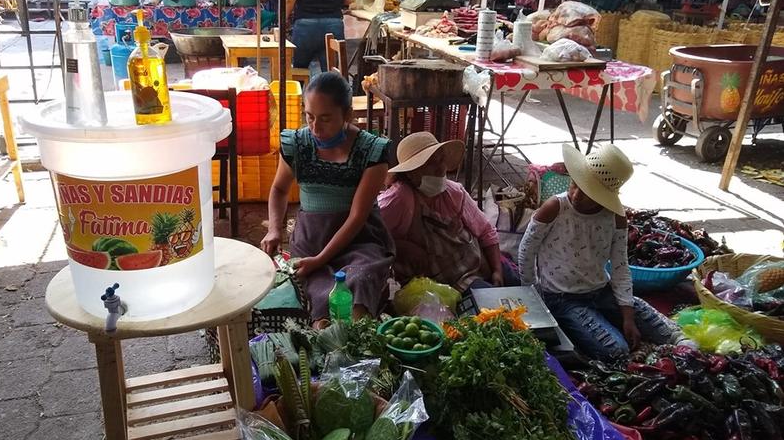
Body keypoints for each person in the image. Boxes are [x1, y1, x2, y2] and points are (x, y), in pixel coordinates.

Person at [518, 144, 690, 361]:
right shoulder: (555, 207)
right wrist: (533, 294)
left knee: (654, 323)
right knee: (615, 350)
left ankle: (677, 341)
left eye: (589, 193)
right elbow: (526, 251)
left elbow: (620, 267)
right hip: (562, 298)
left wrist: (628, 315)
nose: (577, 195)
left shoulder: (615, 217)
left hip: (602, 291)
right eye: (574, 185)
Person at [260, 72, 395, 328]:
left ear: (347, 116)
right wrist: (275, 230)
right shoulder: (297, 144)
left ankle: (357, 338)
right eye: (309, 116)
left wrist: (321, 260)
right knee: (319, 302)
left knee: (360, 280)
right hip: (311, 240)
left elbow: (357, 217)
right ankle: (325, 333)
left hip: (360, 239)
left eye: (325, 119)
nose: (315, 128)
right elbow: (279, 189)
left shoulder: (372, 152)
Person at [379, 132, 519, 292]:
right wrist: (403, 246)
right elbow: (369, 233)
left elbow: (486, 231)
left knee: (518, 283)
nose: (440, 168)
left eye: (441, 160)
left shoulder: (454, 192)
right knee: (489, 300)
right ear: (411, 173)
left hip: (475, 262)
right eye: (431, 163)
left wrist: (497, 271)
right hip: (451, 282)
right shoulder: (399, 199)